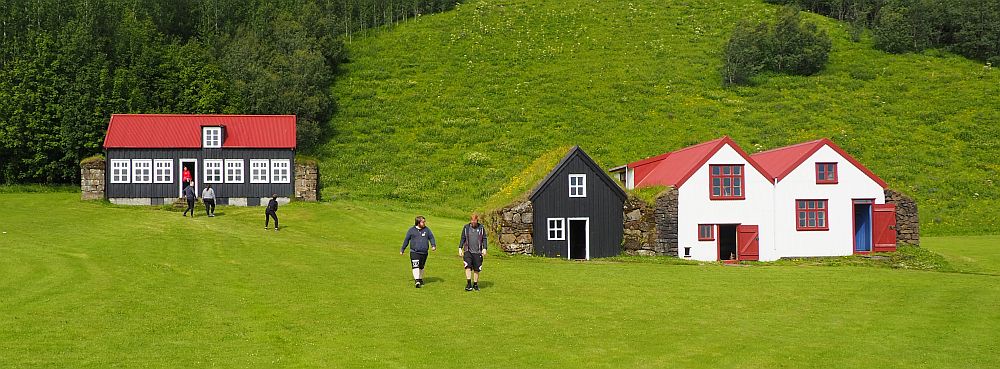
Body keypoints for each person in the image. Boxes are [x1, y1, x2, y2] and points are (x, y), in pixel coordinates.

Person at [400, 216, 436, 288]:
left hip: (424, 252)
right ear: (418, 222)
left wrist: (433, 245)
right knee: (415, 265)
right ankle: (417, 281)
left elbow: (431, 237)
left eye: (424, 221)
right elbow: (406, 240)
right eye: (423, 222)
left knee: (421, 267)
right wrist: (402, 249)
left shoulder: (427, 230)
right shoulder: (411, 230)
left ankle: (420, 278)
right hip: (414, 252)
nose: (424, 223)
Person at [459, 213, 488, 291]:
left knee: (476, 269)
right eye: (472, 221)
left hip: (478, 252)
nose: (473, 223)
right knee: (467, 266)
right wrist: (460, 248)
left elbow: (484, 238)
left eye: (475, 221)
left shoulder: (481, 228)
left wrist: (484, 248)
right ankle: (468, 284)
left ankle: (475, 284)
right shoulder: (466, 228)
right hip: (468, 251)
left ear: (477, 221)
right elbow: (463, 238)